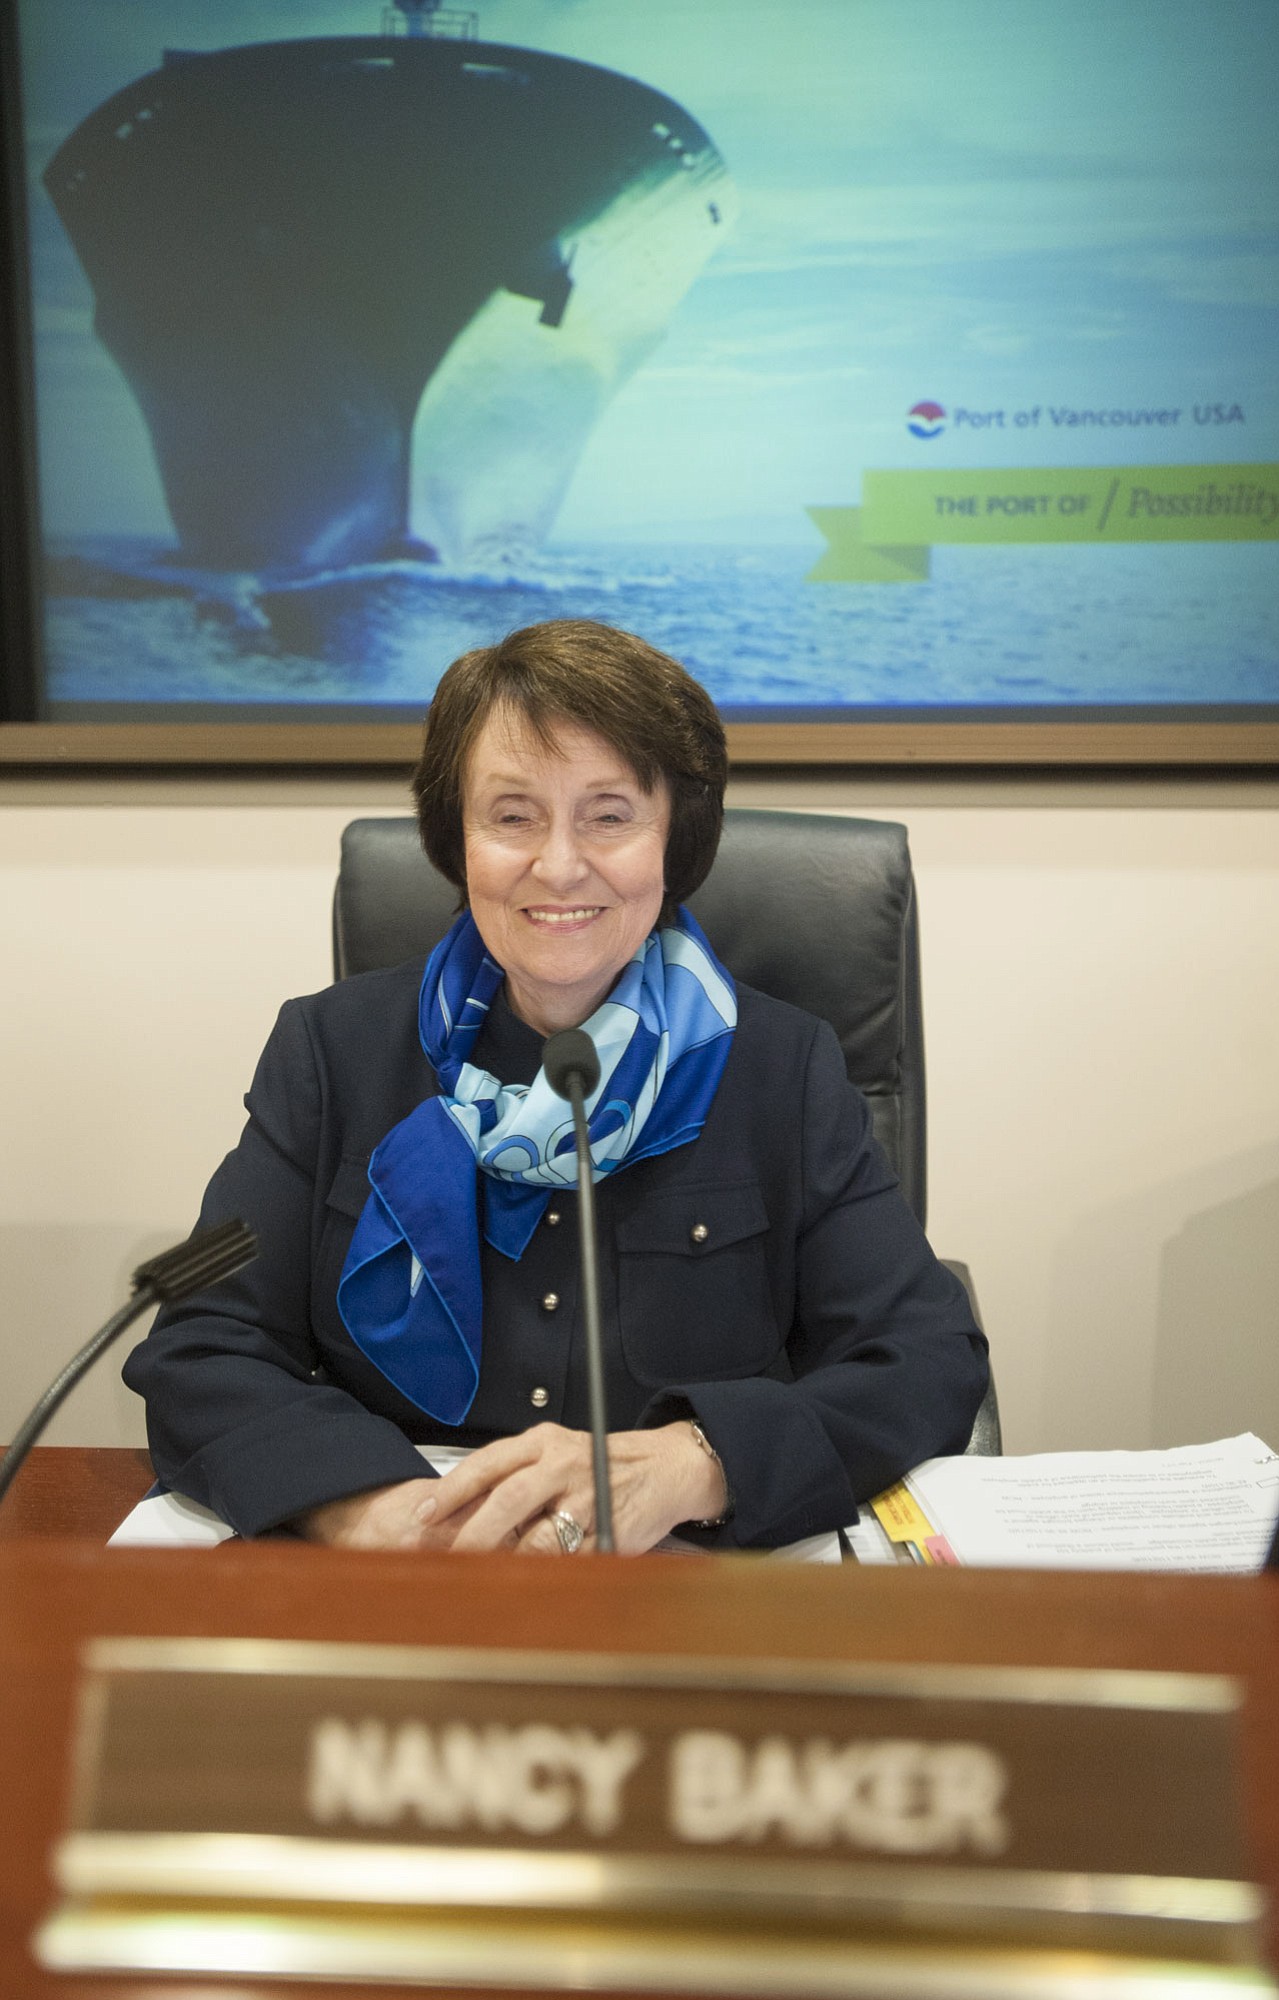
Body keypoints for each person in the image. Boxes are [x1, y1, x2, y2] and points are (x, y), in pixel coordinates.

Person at [124, 619, 987, 1553]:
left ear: (674, 839)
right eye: (512, 815)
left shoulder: (782, 1067)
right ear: (457, 839)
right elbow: (202, 1346)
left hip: (683, 1586)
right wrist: (376, 1512)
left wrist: (697, 1463)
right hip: (401, 1578)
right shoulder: (331, 1052)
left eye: (609, 815)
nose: (560, 864)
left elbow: (922, 1358)